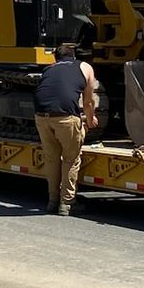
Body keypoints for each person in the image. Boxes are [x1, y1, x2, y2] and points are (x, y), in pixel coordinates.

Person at [32, 40, 98, 215]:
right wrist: (90, 120)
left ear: (55, 58)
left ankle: (52, 201)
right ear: (74, 56)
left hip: (41, 117)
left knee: (52, 159)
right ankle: (67, 203)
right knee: (71, 158)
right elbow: (88, 101)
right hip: (65, 118)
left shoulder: (49, 69)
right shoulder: (85, 67)